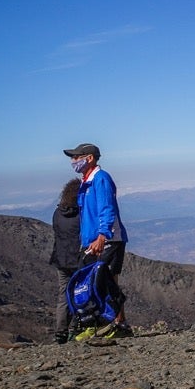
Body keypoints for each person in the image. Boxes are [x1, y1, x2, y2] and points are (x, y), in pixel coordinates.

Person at [63, 142, 132, 339]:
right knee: (99, 281)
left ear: (90, 158)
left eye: (77, 157)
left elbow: (106, 208)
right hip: (92, 240)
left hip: (108, 239)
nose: (73, 161)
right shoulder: (86, 182)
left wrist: (102, 235)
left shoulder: (100, 179)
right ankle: (107, 323)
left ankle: (115, 324)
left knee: (105, 281)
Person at [49, 178, 82, 343]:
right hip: (78, 260)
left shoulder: (57, 213)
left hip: (61, 260)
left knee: (63, 295)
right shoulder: (82, 214)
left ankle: (60, 331)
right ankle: (77, 327)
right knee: (80, 293)